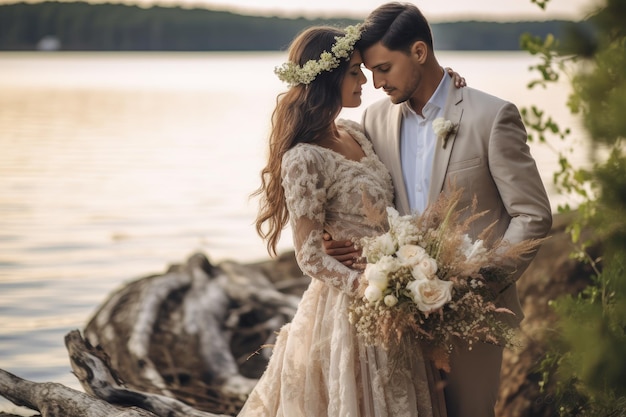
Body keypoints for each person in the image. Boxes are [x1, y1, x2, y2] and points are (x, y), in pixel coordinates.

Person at [323, 3, 553, 417]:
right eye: (370, 71)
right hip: (394, 317)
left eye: (384, 68)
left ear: (419, 52)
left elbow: (532, 215)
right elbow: (341, 182)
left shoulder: (491, 116)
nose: (375, 83)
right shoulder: (373, 121)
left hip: (472, 320)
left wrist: (473, 283)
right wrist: (328, 235)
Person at [239, 24, 465, 417]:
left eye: (363, 69)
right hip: (351, 309)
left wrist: (452, 87)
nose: (366, 80)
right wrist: (371, 288)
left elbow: (417, 113)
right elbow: (309, 258)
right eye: (354, 72)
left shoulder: (356, 132)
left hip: (391, 295)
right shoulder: (303, 158)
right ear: (328, 79)